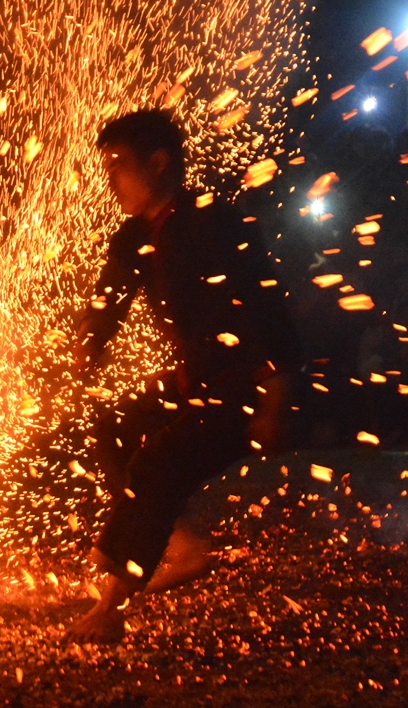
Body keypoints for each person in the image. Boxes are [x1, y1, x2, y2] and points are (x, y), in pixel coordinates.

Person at [67, 110, 300, 642]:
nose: (110, 180)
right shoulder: (134, 237)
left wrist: (276, 393)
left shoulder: (214, 223)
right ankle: (179, 544)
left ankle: (112, 605)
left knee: (159, 460)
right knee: (112, 423)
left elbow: (266, 310)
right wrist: (87, 345)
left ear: (159, 163)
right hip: (195, 380)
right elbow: (107, 302)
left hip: (245, 387)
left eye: (119, 166)